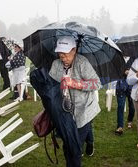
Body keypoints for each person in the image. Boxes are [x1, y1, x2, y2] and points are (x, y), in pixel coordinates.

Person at [49, 36, 101, 166]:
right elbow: (50, 85)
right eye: (60, 53)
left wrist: (76, 84)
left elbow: (97, 84)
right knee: (68, 145)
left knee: (75, 147)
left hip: (84, 110)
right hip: (64, 112)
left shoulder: (82, 63)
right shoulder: (56, 64)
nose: (62, 56)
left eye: (65, 53)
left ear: (74, 50)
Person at [115, 56, 135, 135]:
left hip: (132, 86)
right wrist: (124, 71)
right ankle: (120, 126)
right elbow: (114, 71)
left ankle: (130, 120)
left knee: (132, 107)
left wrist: (131, 73)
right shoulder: (117, 59)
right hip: (120, 86)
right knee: (120, 106)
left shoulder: (134, 58)